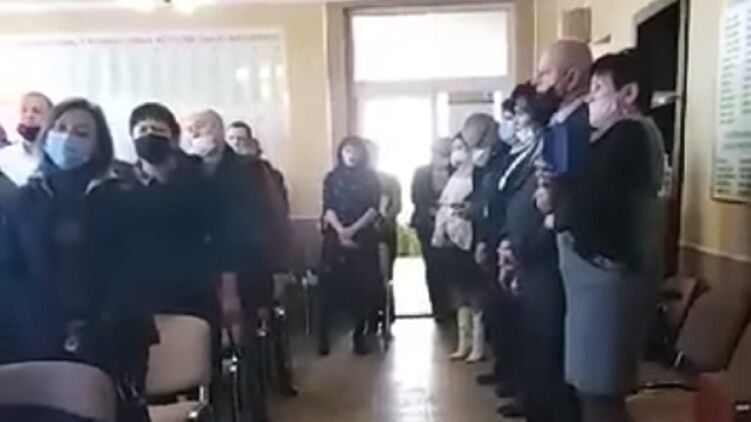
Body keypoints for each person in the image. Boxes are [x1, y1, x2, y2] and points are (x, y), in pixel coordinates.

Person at [0, 98, 155, 421]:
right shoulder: (21, 200)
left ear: (99, 146)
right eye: (60, 128)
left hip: (112, 338)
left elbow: (136, 271)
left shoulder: (124, 198)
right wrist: (39, 328)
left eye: (82, 133)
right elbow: (10, 272)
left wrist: (98, 326)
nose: (68, 137)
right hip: (35, 340)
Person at [550, 49, 663, 422]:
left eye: (598, 90)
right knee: (594, 390)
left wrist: (557, 206)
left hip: (607, 278)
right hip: (597, 280)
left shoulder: (630, 133)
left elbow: (589, 201)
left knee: (599, 393)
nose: (589, 100)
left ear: (628, 94)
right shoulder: (619, 136)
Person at [185, 109, 271, 420]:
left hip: (244, 271)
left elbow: (252, 224)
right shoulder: (186, 169)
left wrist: (231, 282)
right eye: (191, 129)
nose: (197, 133)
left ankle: (253, 413)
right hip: (199, 275)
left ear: (219, 131)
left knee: (245, 350)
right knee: (203, 354)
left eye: (203, 126)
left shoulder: (248, 170)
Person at [115, 102, 217, 324]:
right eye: (143, 130)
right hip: (140, 293)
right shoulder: (121, 184)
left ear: (173, 138)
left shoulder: (200, 179)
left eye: (158, 129)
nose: (150, 135)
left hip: (193, 289)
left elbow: (220, 236)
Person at [319, 136, 383, 356]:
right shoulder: (332, 177)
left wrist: (353, 230)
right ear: (341, 153)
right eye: (347, 150)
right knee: (328, 290)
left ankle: (359, 336)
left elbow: (373, 209)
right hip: (334, 238)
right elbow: (328, 208)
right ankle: (323, 337)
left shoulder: (371, 178)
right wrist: (341, 231)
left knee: (362, 290)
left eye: (356, 151)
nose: (351, 155)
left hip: (363, 237)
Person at [432, 135, 486, 363]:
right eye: (454, 148)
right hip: (450, 239)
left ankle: (479, 344)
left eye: (462, 147)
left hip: (470, 238)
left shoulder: (479, 174)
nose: (457, 152)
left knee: (475, 292)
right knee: (458, 292)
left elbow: (482, 206)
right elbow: (443, 206)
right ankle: (464, 342)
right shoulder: (452, 177)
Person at [410, 137, 452, 322]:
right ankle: (438, 308)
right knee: (433, 267)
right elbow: (416, 197)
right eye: (438, 152)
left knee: (451, 266)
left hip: (452, 225)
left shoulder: (457, 171)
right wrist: (433, 211)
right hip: (426, 224)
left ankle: (454, 307)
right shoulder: (421, 172)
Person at [0, 92, 53, 186]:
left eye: (37, 111)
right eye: (24, 110)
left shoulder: (57, 157)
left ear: (50, 118)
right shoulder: (4, 155)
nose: (29, 115)